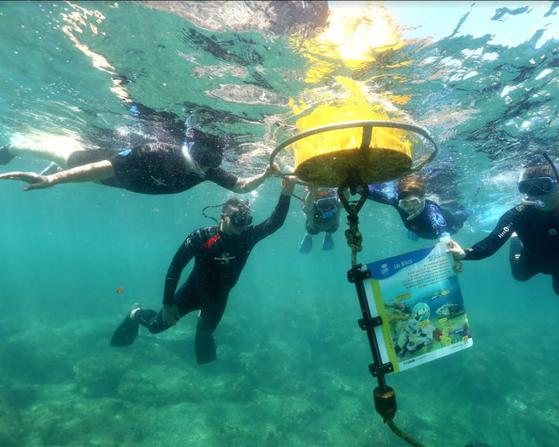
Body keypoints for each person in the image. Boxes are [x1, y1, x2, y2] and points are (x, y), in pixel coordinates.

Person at [110, 177, 296, 364]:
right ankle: (135, 313)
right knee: (155, 327)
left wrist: (286, 194)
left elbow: (275, 222)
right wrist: (167, 304)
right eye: (238, 220)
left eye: (246, 221)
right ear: (223, 217)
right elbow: (176, 266)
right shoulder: (201, 237)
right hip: (192, 292)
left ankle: (202, 320)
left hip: (218, 297)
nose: (242, 226)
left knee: (206, 333)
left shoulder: (247, 236)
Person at [446, 158, 559, 304]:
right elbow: (492, 243)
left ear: (557, 185)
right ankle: (515, 241)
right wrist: (465, 254)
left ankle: (517, 240)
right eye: (528, 189)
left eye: (544, 187)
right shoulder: (517, 215)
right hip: (531, 257)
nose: (537, 195)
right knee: (519, 276)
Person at [0, 104, 272, 194]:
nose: (204, 165)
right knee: (58, 154)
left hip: (116, 181)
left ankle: (58, 167)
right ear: (190, 144)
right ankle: (13, 145)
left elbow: (241, 186)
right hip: (103, 166)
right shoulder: (157, 150)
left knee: (77, 169)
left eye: (212, 160)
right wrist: (52, 180)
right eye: (202, 156)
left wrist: (267, 174)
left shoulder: (207, 171)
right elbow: (101, 167)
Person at [368, 173, 469, 240]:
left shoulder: (432, 211)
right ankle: (415, 231)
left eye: (414, 202)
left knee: (460, 217)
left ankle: (467, 212)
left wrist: (445, 240)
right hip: (418, 230)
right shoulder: (395, 201)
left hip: (451, 227)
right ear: (399, 202)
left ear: (422, 198)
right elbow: (370, 192)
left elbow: (440, 228)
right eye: (404, 204)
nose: (410, 208)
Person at [299, 185, 340, 253]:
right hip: (331, 226)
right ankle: (326, 236)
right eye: (320, 194)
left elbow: (306, 209)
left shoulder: (312, 200)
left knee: (310, 231)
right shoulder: (335, 199)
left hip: (315, 227)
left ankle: (308, 237)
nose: (324, 195)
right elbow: (307, 208)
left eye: (328, 193)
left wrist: (312, 191)